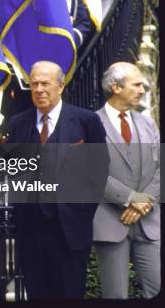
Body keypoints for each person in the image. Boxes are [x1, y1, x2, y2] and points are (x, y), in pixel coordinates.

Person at [6, 61, 109, 299]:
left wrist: (80, 212)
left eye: (45, 83)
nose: (39, 89)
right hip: (30, 233)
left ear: (60, 87)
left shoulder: (86, 121)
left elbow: (99, 172)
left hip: (69, 233)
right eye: (34, 84)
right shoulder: (18, 124)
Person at [93, 62, 160, 298]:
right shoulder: (91, 123)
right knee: (115, 295)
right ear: (116, 87)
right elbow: (92, 173)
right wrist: (130, 198)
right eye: (137, 84)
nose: (143, 89)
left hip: (149, 221)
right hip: (110, 223)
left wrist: (144, 203)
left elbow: (160, 168)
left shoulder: (148, 123)